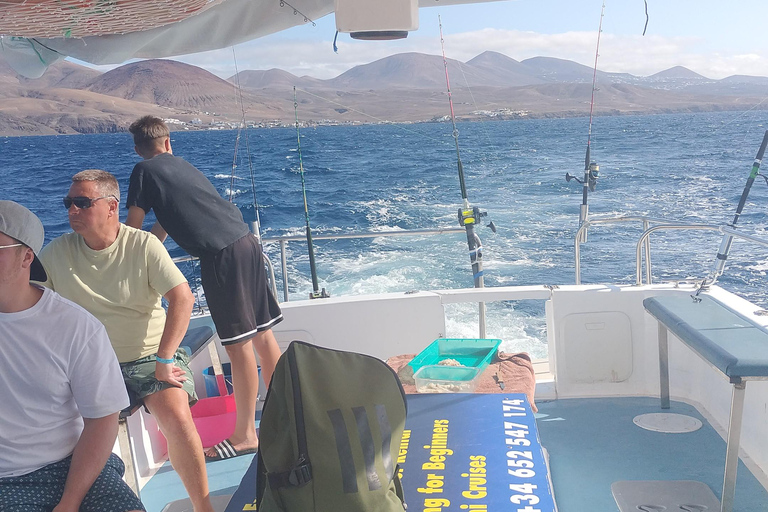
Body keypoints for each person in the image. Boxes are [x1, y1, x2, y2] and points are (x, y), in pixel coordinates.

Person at [38, 171, 215, 512]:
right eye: (68, 203)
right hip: (89, 364)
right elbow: (33, 306)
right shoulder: (56, 253)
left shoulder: (143, 245)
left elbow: (182, 298)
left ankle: (203, 507)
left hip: (148, 356)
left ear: (111, 207)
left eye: (82, 203)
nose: (72, 210)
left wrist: (165, 361)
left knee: (177, 416)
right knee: (56, 429)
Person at [125, 116, 283, 461]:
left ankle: (245, 435)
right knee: (264, 337)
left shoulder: (142, 171)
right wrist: (154, 249)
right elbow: (168, 218)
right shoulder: (182, 167)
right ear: (168, 143)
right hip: (246, 243)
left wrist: (130, 265)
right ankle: (288, 411)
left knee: (239, 347)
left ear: (138, 149)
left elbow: (133, 230)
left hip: (221, 257)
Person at [0, 200, 145, 512]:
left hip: (72, 465)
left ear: (26, 256)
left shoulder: (75, 327)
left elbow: (102, 419)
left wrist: (70, 502)